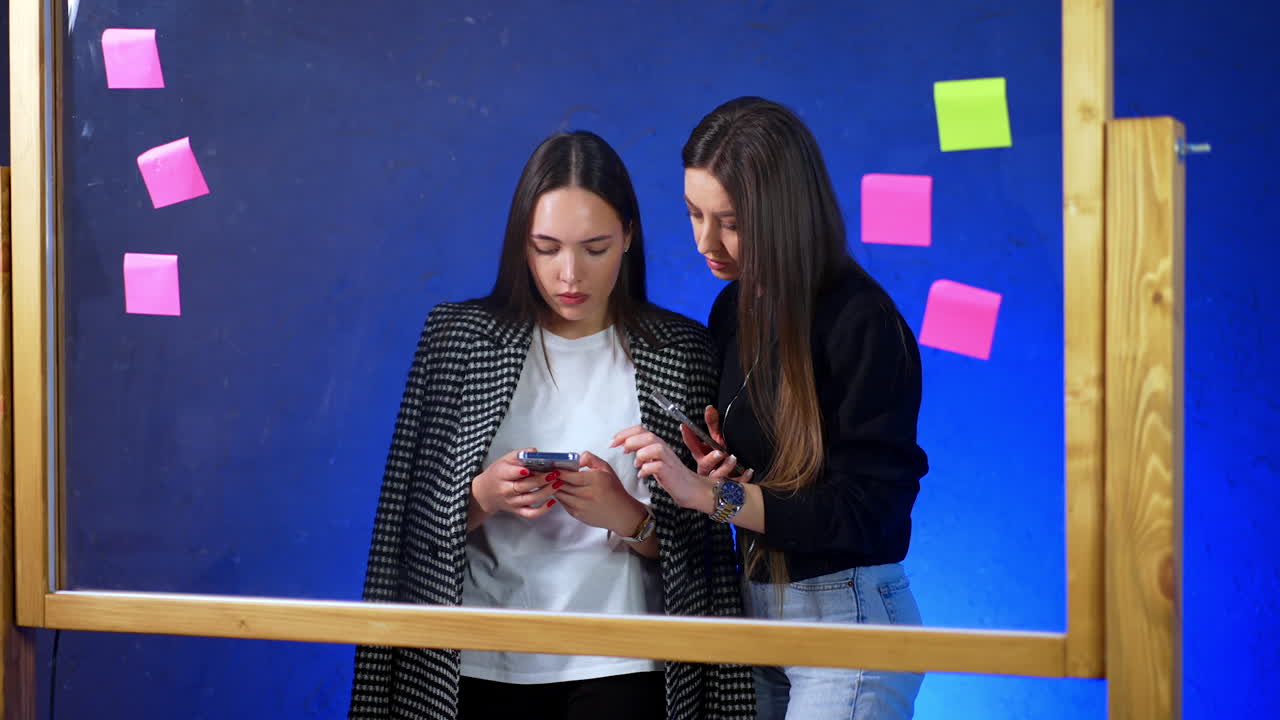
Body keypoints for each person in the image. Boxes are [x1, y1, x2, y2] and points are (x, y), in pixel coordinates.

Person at [348, 130, 754, 720]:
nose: (570, 275)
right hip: (474, 661)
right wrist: (483, 496)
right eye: (546, 248)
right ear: (521, 245)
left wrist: (629, 517)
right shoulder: (457, 339)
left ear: (629, 239)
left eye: (595, 248)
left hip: (627, 665)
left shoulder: (682, 349)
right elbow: (400, 531)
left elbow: (712, 551)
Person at [614, 97, 929, 719]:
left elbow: (871, 514)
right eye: (693, 214)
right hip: (755, 612)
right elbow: (789, 491)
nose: (706, 241)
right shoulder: (733, 310)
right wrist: (731, 471)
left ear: (786, 214)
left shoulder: (861, 320)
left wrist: (713, 498)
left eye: (729, 221)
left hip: (850, 620)